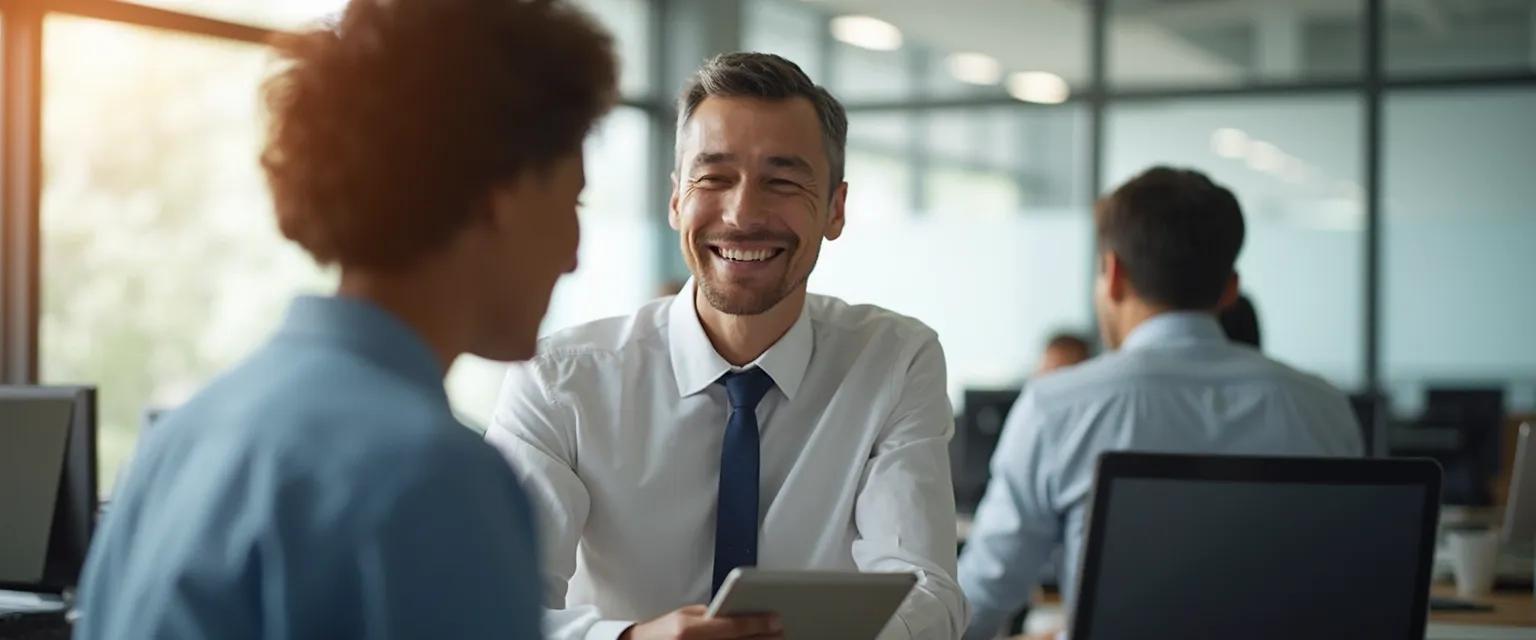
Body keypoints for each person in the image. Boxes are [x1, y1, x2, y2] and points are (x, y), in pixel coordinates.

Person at [74, 1, 617, 637]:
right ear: (500, 199)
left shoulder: (181, 440)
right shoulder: (432, 478)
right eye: (572, 200)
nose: (575, 257)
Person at [486, 52, 966, 640]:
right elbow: (491, 608)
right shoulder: (560, 381)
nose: (742, 214)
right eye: (714, 178)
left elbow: (926, 591)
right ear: (676, 201)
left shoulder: (894, 362)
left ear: (835, 209)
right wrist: (633, 639)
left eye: (782, 181)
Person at [956, 167, 1363, 640]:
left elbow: (977, 603)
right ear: (1230, 289)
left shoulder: (1057, 408)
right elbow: (1352, 584)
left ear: (1113, 274)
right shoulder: (1323, 407)